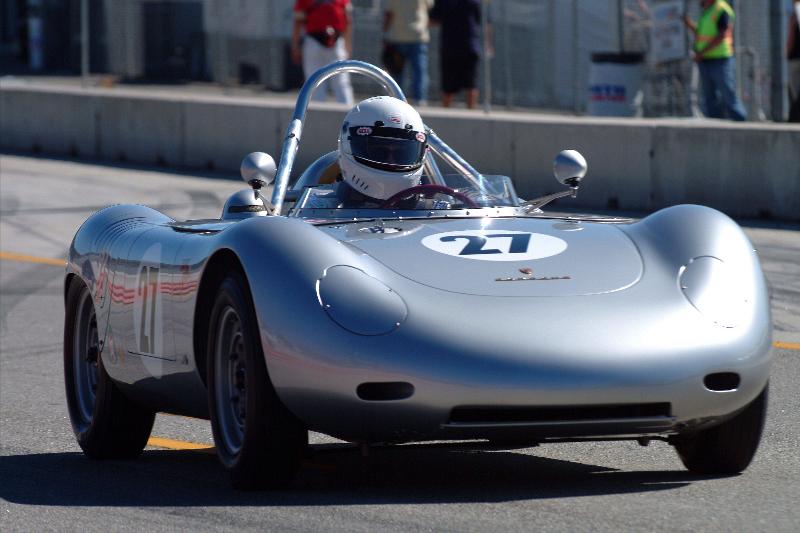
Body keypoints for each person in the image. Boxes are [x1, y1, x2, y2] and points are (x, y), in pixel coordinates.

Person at [303, 96, 430, 209]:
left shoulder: (432, 208)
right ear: (347, 145)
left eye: (402, 154)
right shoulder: (319, 208)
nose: (391, 162)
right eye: (379, 152)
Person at [683, 0, 747, 121]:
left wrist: (702, 52)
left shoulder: (721, 9)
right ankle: (715, 124)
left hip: (720, 59)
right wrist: (690, 24)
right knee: (710, 98)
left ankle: (740, 121)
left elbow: (722, 34)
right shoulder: (707, 10)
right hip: (705, 59)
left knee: (728, 93)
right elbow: (702, 33)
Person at [429, 0, 489, 109]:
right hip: (465, 47)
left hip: (453, 47)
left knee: (457, 86)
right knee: (467, 84)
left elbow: (433, 19)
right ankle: (467, 113)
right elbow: (483, 22)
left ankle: (449, 114)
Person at [292, 0, 354, 104]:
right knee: (315, 82)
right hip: (314, 41)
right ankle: (317, 113)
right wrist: (295, 46)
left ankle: (348, 113)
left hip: (336, 41)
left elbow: (348, 20)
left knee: (340, 81)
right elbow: (298, 21)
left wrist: (347, 44)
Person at [383, 0, 433, 106]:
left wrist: (385, 33)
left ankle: (397, 100)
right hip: (418, 35)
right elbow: (429, 7)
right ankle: (419, 100)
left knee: (397, 72)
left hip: (398, 36)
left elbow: (389, 13)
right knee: (419, 71)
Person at [788, 0, 800, 122]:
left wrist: (787, 51)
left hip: (795, 58)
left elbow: (791, 38)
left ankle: (795, 118)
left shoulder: (795, 15)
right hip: (795, 58)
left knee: (795, 90)